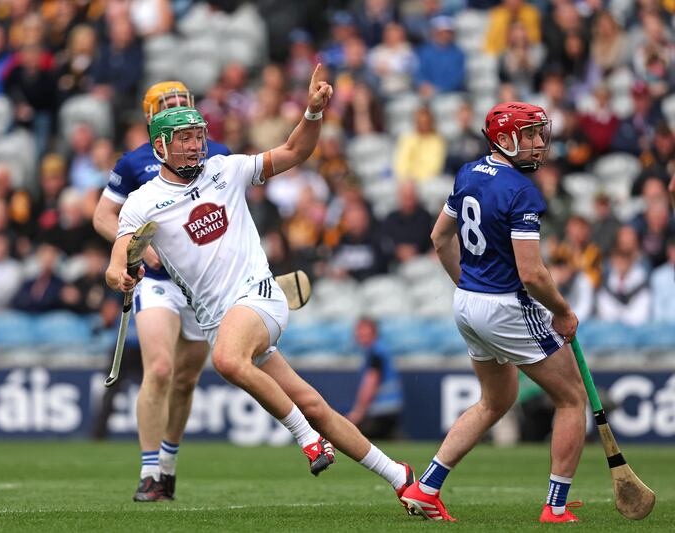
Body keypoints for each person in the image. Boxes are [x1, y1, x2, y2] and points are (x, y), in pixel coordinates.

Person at [106, 66, 416, 515]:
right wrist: (122, 276)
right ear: (160, 146)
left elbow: (294, 151)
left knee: (228, 360)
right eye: (185, 139)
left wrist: (311, 112)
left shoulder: (226, 170)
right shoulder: (141, 202)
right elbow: (118, 261)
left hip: (260, 298)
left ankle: (308, 441)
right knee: (311, 402)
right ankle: (400, 476)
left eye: (198, 135)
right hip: (220, 321)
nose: (196, 145)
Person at [405, 101, 587, 522]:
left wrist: (468, 286)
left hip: (467, 303)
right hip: (505, 306)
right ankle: (555, 507)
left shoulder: (468, 172)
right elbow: (533, 274)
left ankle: (426, 487)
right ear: (505, 139)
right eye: (530, 135)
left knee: (495, 399)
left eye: (540, 133)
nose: (540, 143)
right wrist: (562, 311)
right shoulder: (523, 191)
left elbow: (438, 238)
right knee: (572, 398)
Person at [92, 81, 231, 502]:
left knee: (187, 380)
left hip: (200, 288)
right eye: (167, 105)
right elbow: (103, 216)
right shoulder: (135, 162)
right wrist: (134, 249)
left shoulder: (217, 154)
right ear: (151, 116)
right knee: (161, 369)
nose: (177, 110)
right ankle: (149, 470)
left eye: (182, 103)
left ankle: (168, 466)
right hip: (157, 285)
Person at [346, 317, 402, 439]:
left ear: (374, 331)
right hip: (391, 408)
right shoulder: (380, 348)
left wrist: (358, 412)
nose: (360, 334)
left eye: (364, 330)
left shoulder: (375, 351)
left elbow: (371, 382)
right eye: (358, 330)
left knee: (354, 440)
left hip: (381, 411)